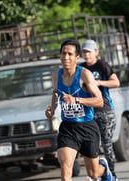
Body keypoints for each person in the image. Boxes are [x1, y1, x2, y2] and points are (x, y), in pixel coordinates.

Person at [45, 39, 114, 181]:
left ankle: (105, 169)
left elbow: (99, 101)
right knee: (65, 170)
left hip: (87, 127)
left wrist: (76, 100)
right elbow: (55, 93)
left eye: (70, 54)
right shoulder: (56, 75)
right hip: (68, 128)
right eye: (63, 53)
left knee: (93, 173)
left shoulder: (84, 75)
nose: (66, 57)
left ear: (77, 58)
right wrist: (52, 108)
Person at [80, 39, 120, 180]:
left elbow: (116, 82)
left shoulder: (102, 65)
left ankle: (112, 175)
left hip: (105, 111)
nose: (87, 55)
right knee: (91, 145)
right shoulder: (81, 69)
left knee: (106, 144)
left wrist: (98, 82)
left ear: (96, 52)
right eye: (84, 52)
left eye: (89, 52)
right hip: (89, 112)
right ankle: (96, 173)